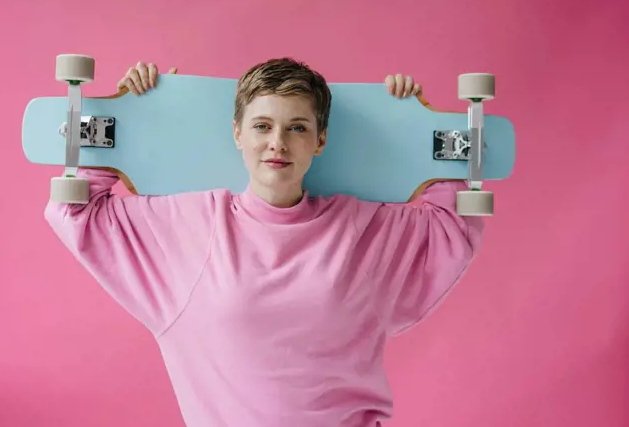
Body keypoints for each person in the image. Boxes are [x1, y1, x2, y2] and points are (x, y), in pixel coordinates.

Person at [44, 58, 484, 427]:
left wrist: (414, 128)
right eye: (262, 126)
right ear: (238, 134)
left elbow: (453, 227)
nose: (278, 143)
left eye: (297, 128)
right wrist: (129, 121)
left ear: (320, 139)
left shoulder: (357, 227)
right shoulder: (194, 224)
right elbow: (78, 213)